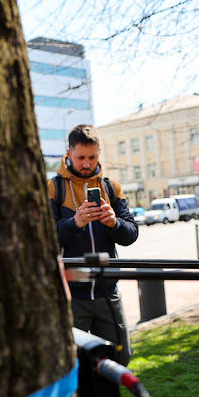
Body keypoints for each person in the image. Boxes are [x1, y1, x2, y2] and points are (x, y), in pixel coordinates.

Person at [49, 124, 139, 366]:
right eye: (80, 158)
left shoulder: (111, 187)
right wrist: (75, 222)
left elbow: (131, 235)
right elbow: (47, 240)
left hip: (107, 290)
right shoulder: (53, 188)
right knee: (74, 363)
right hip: (72, 294)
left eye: (92, 157)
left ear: (99, 153)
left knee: (121, 356)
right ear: (68, 154)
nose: (86, 163)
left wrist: (114, 223)